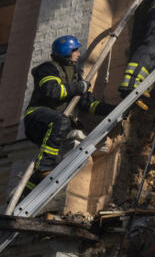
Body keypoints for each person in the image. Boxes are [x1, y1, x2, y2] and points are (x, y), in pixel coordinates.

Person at [23, 35, 108, 192]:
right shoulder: (47, 69)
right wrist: (77, 87)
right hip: (37, 117)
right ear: (67, 50)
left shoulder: (75, 75)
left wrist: (110, 109)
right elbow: (52, 91)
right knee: (61, 122)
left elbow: (87, 104)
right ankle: (43, 167)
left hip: (55, 124)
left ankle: (27, 191)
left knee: (56, 159)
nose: (78, 54)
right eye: (75, 50)